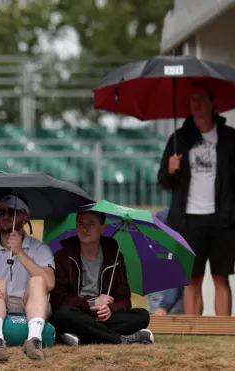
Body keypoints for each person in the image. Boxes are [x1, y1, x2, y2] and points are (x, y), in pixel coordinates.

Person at [158, 85, 235, 316]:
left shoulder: (230, 138)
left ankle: (223, 334)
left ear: (213, 104)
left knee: (221, 278)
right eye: (192, 100)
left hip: (223, 220)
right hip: (188, 220)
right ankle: (194, 334)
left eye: (201, 99)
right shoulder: (178, 139)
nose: (197, 105)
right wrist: (171, 170)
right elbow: (163, 181)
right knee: (192, 279)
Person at [49, 210, 153, 346]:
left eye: (91, 224)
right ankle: (119, 339)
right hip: (76, 313)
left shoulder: (114, 256)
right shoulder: (64, 256)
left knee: (142, 315)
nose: (85, 229)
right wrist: (92, 303)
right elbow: (58, 298)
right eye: (80, 224)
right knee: (64, 315)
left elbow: (124, 299)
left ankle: (81, 336)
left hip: (101, 317)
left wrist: (110, 308)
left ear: (102, 228)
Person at [0, 195, 55, 362]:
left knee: (38, 281)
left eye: (12, 211)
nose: (6, 216)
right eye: (1, 212)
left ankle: (33, 340)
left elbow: (50, 283)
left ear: (25, 217)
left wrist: (20, 253)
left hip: (30, 307)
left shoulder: (40, 248)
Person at [147, 207, 184, 316]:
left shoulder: (171, 254)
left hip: (167, 314)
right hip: (160, 312)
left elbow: (175, 283)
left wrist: (163, 307)